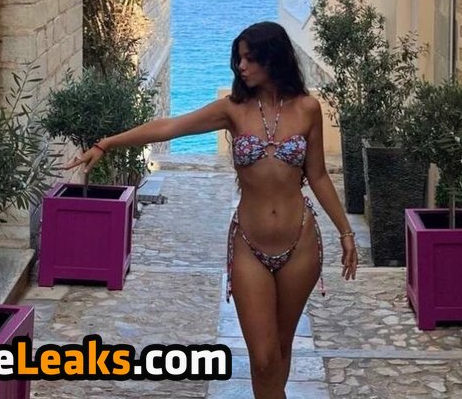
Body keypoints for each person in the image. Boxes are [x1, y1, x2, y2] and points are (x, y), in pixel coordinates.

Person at [65, 20, 358, 399]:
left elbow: (317, 176)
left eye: (249, 59)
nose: (241, 67)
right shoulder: (233, 110)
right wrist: (107, 143)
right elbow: (170, 127)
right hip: (250, 247)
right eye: (239, 59)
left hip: (300, 245)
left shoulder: (307, 109)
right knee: (263, 358)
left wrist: (345, 232)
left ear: (273, 59)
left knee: (281, 349)